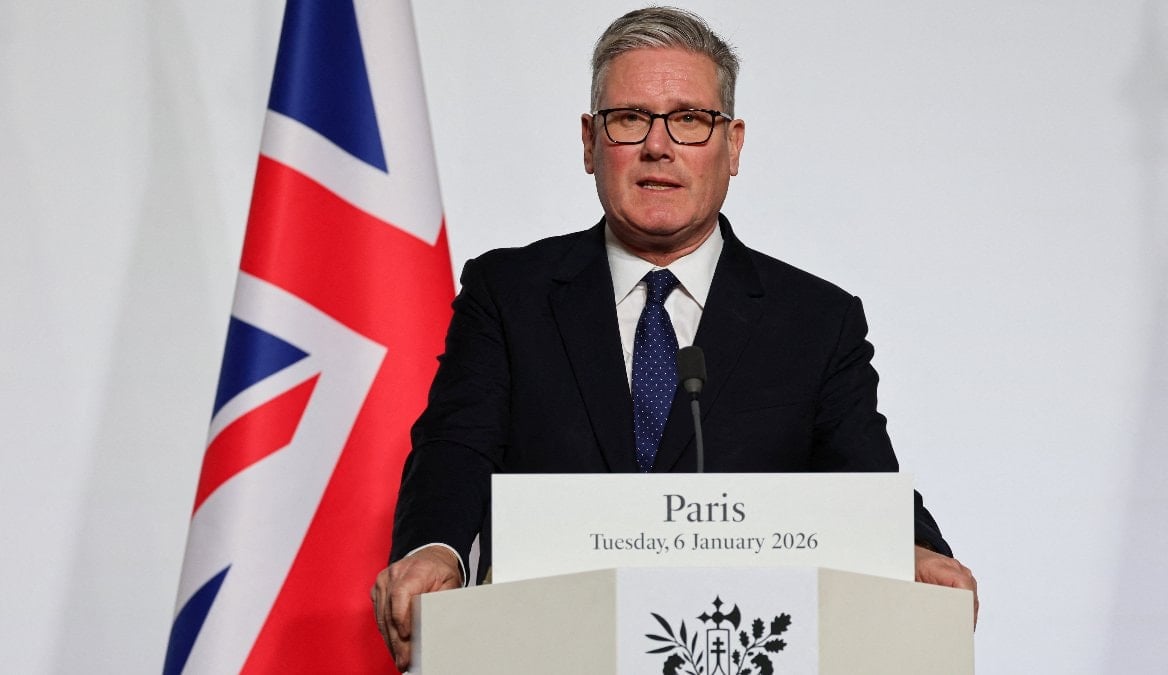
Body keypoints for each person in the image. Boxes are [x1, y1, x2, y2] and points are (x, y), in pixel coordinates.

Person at [372, 7, 978, 671]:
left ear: (733, 145)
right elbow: (456, 446)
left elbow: (863, 474)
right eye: (630, 118)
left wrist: (915, 551)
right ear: (589, 141)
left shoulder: (815, 319)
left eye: (689, 119)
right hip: (549, 648)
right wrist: (435, 548)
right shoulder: (509, 293)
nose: (658, 146)